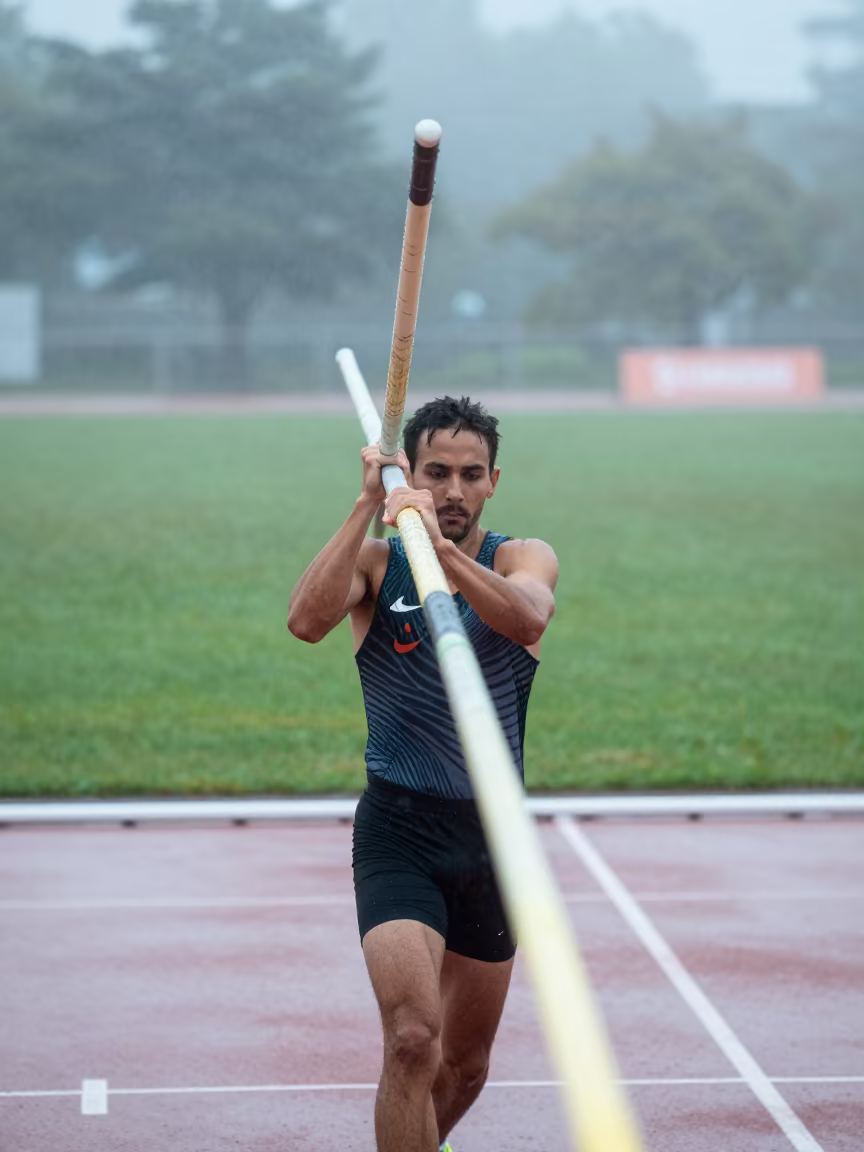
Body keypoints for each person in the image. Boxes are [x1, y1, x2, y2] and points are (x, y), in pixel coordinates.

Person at [287, 396, 558, 1152]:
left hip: (492, 840)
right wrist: (366, 505)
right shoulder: (376, 565)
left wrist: (444, 555)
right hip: (399, 830)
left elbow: (528, 620)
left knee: (464, 1068)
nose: (454, 491)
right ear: (412, 472)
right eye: (436, 472)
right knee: (412, 1038)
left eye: (471, 475)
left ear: (494, 480)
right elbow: (306, 621)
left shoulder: (520, 557)